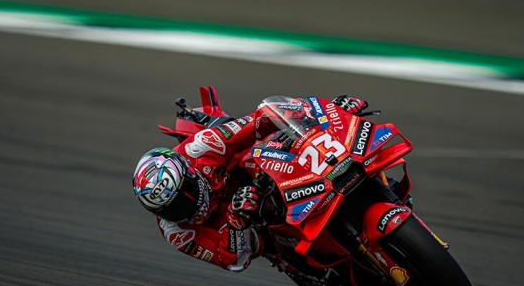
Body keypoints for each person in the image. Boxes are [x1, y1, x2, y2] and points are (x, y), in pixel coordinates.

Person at [132, 94, 368, 272]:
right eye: (175, 209)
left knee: (275, 141)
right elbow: (234, 260)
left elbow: (258, 121)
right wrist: (236, 220)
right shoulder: (176, 232)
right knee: (266, 243)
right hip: (249, 227)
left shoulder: (202, 146)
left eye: (188, 192)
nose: (190, 204)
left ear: (189, 172)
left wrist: (329, 113)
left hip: (260, 173)